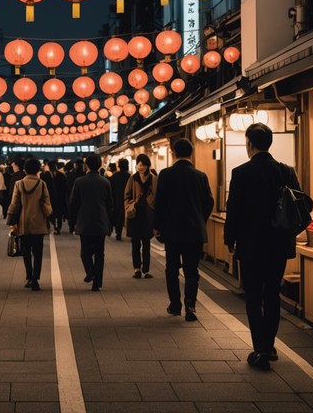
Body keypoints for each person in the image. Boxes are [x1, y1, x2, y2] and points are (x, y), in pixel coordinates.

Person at [224, 123, 303, 371]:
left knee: (253, 295)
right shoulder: (286, 171)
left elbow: (233, 209)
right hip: (279, 243)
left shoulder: (241, 173)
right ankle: (269, 346)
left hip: (250, 243)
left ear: (249, 143)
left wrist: (229, 238)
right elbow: (298, 205)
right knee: (271, 295)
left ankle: (258, 348)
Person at [153, 137, 214, 321]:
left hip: (172, 230)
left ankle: (175, 304)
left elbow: (159, 203)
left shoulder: (165, 174)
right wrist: (200, 219)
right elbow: (209, 202)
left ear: (173, 153)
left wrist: (157, 226)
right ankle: (191, 305)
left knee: (171, 268)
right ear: (191, 153)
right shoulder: (200, 176)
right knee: (191, 270)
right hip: (194, 231)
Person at [68, 154, 113, 291]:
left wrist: (72, 221)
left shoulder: (79, 182)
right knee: (100, 253)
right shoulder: (105, 182)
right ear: (99, 165)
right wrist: (110, 223)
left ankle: (90, 272)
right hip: (101, 221)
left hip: (84, 221)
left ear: (86, 165)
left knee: (85, 252)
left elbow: (73, 203)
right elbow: (110, 205)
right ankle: (97, 282)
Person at [7, 156, 53, 290]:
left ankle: (29, 277)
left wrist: (11, 221)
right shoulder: (42, 184)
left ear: (25, 170)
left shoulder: (19, 184)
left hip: (24, 222)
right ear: (38, 170)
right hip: (39, 223)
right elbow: (47, 203)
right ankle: (36, 279)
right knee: (38, 252)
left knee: (26, 251)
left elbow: (14, 204)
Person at [124, 153, 156, 279]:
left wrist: (150, 201)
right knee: (135, 243)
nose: (141, 166)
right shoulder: (133, 178)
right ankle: (137, 269)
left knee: (147, 243)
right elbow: (126, 195)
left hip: (147, 214)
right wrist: (130, 204)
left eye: (143, 164)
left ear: (148, 165)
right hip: (135, 215)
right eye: (139, 164)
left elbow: (157, 194)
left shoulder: (153, 178)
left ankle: (146, 270)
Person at [108, 158, 130, 240]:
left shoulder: (115, 176)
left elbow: (111, 188)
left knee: (117, 216)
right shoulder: (129, 176)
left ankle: (118, 233)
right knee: (125, 217)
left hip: (116, 199)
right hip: (126, 199)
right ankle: (128, 233)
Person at [47, 160, 68, 234]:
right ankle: (58, 228)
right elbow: (65, 187)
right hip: (60, 197)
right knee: (59, 214)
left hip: (49, 197)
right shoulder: (61, 175)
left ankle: (51, 227)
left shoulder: (46, 175)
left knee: (49, 213)